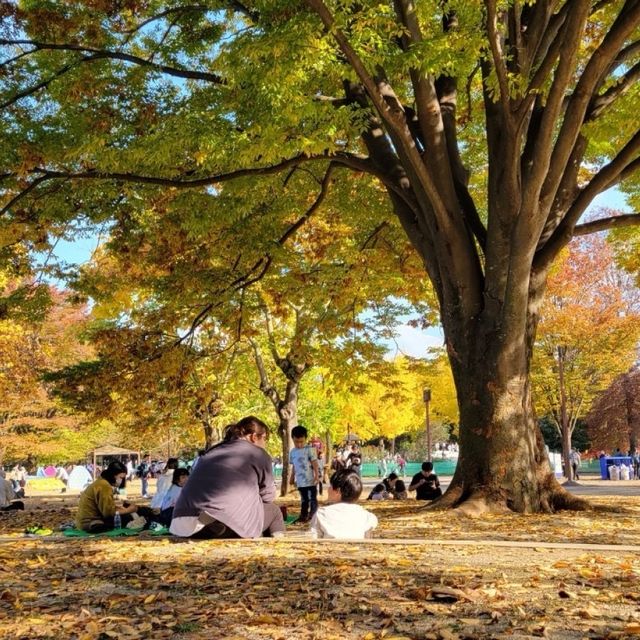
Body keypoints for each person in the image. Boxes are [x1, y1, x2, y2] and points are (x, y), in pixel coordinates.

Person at [170, 416, 285, 539]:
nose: (265, 444)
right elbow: (268, 496)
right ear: (254, 437)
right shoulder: (258, 453)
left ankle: (214, 522)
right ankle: (275, 539)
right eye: (265, 439)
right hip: (225, 519)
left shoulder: (212, 451)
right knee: (274, 511)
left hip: (181, 523)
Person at [310, 469, 378, 539]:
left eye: (330, 486)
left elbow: (314, 538)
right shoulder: (368, 517)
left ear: (338, 491)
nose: (328, 489)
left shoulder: (321, 514)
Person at [75, 461, 139, 532]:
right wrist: (128, 510)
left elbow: (106, 507)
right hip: (90, 522)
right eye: (121, 477)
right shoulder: (105, 486)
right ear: (113, 475)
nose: (121, 480)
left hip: (82, 522)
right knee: (129, 517)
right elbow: (108, 513)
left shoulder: (101, 482)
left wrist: (121, 508)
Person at [289, 425, 319, 524]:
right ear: (292, 439)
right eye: (296, 442)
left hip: (310, 480)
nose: (299, 444)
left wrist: (316, 475)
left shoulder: (309, 449)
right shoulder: (292, 452)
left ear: (306, 439)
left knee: (312, 499)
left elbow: (315, 463)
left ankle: (313, 515)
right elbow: (294, 465)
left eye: (301, 442)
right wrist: (292, 477)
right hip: (301, 482)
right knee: (304, 500)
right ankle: (303, 516)